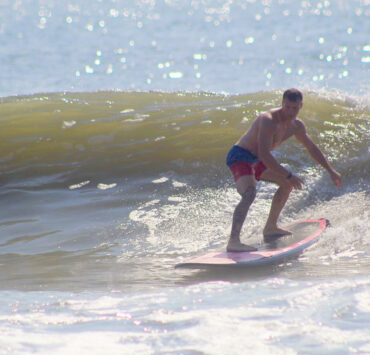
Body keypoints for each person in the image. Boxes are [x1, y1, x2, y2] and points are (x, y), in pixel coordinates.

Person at [225, 88, 342, 252]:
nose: (290, 112)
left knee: (287, 185)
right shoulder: (267, 120)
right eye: (287, 107)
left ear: (301, 106)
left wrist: (331, 171)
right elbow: (264, 154)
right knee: (250, 193)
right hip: (241, 156)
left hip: (256, 159)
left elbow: (311, 148)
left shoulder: (296, 126)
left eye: (294, 108)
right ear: (282, 104)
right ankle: (233, 242)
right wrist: (288, 174)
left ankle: (271, 227)